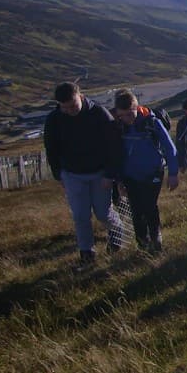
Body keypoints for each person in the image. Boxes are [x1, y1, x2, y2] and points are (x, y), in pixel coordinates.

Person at [43, 82, 124, 270]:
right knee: (80, 216)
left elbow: (114, 147)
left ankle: (116, 231)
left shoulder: (100, 114)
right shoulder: (54, 120)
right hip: (72, 174)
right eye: (65, 107)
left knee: (103, 213)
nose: (70, 110)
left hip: (99, 174)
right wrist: (59, 174)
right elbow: (51, 148)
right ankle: (87, 252)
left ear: (81, 96)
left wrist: (110, 174)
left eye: (73, 105)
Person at [112, 90, 179, 252]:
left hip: (153, 173)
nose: (127, 119)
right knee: (136, 210)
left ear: (137, 107)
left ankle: (156, 239)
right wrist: (119, 180)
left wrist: (173, 173)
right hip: (130, 176)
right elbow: (116, 154)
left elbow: (170, 147)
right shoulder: (118, 126)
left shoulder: (152, 122)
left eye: (130, 114)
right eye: (122, 115)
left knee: (149, 206)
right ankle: (143, 243)